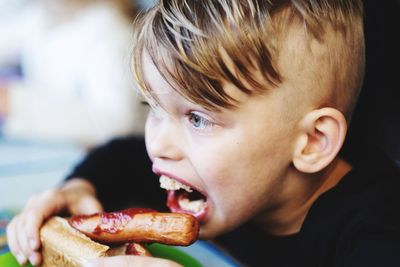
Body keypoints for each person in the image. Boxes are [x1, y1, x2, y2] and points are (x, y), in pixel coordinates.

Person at [6, 0, 400, 266]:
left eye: (198, 118)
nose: (157, 144)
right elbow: (123, 158)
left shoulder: (377, 233)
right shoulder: (215, 175)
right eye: (154, 108)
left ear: (312, 141)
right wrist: (80, 187)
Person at [0, 0, 147, 147]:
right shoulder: (42, 17)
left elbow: (116, 124)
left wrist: (14, 102)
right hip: (54, 147)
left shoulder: (109, 34)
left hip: (106, 158)